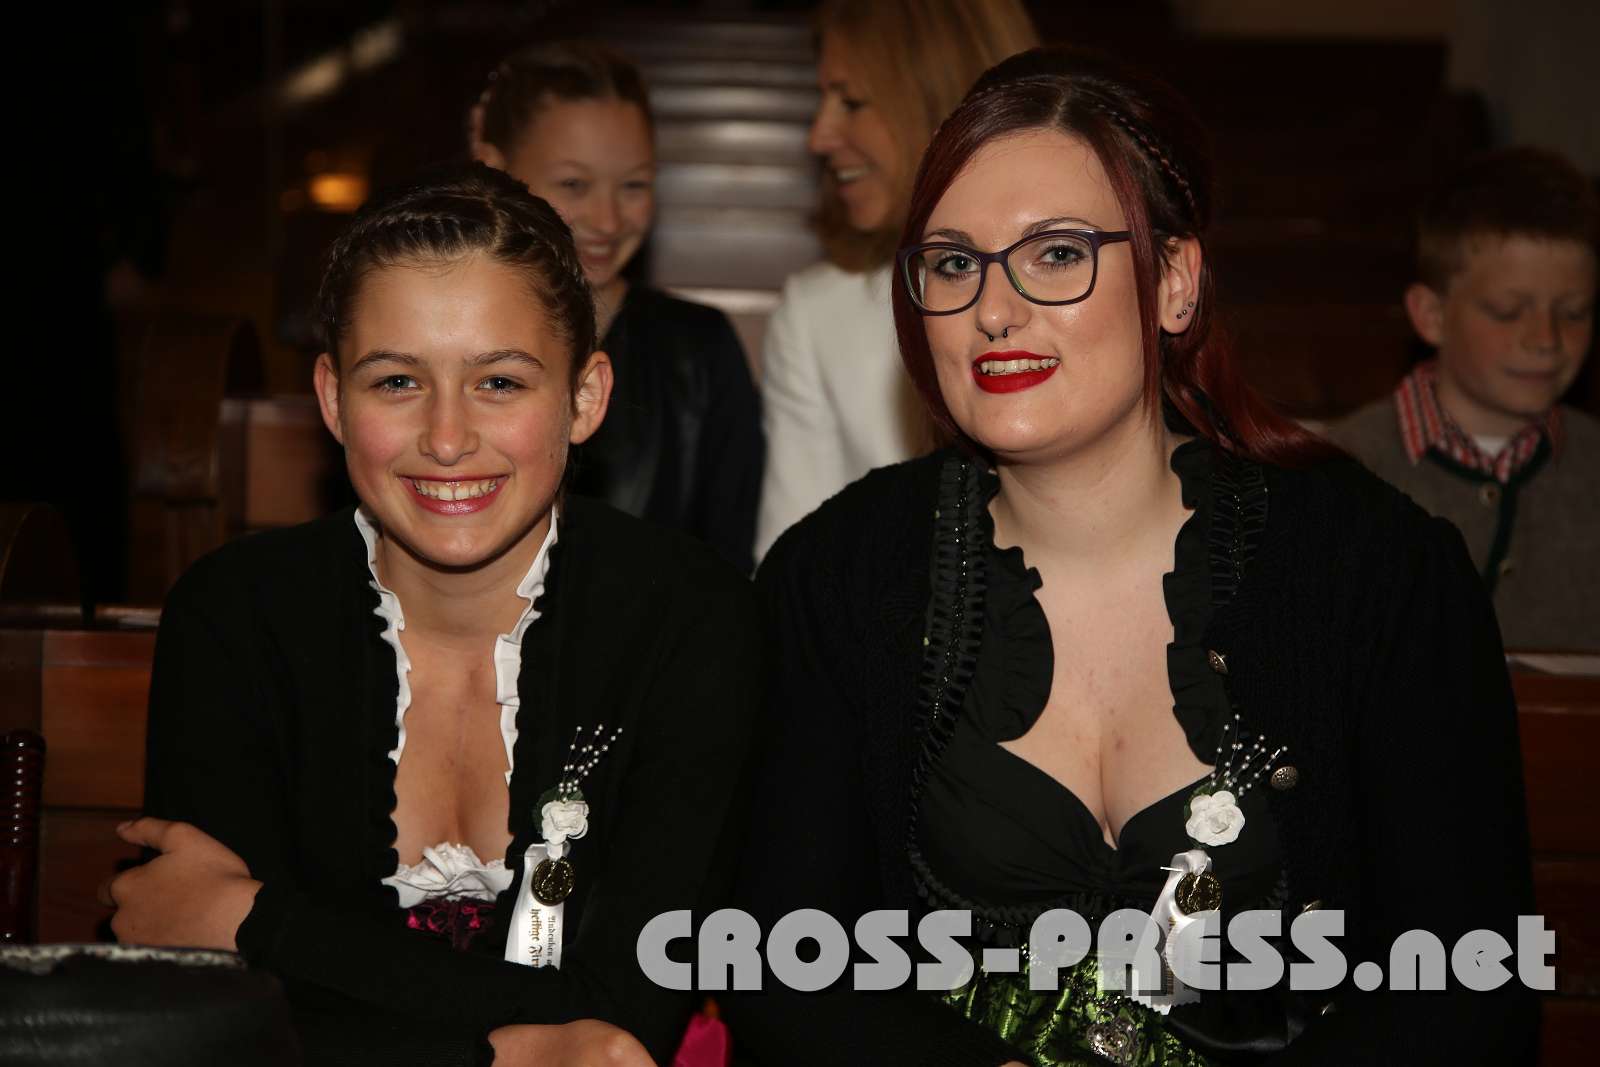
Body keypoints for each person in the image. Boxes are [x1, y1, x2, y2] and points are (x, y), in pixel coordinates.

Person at [732, 48, 1536, 1066]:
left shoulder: (1377, 571)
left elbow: (1470, 987)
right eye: (953, 263)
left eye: (1056, 253)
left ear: (1174, 281)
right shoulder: (838, 576)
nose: (992, 309)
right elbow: (780, 970)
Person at [106, 163, 764, 1066]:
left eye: (499, 382)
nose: (447, 439)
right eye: (396, 382)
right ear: (333, 399)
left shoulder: (691, 618)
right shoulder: (235, 615)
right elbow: (225, 1016)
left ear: (584, 398)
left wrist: (258, 920)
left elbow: (628, 1013)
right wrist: (518, 1047)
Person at [753, 0, 1037, 560]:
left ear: (939, 99)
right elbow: (792, 563)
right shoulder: (818, 312)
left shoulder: (1096, 284)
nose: (819, 136)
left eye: (852, 101)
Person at [472, 41, 764, 573]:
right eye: (574, 184)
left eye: (633, 185)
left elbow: (730, 563)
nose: (607, 220)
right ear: (495, 170)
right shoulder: (444, 336)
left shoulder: (698, 349)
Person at [1327, 147, 1598, 650]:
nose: (1546, 339)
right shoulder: (1343, 470)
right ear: (1431, 316)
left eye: (1574, 312)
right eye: (1507, 311)